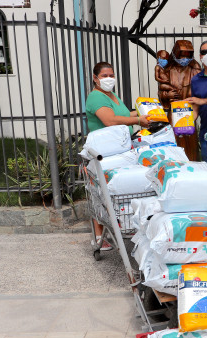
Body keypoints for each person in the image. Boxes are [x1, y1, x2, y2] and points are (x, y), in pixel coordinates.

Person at [85, 61, 149, 250]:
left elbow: (122, 113)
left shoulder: (111, 95)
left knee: (111, 192)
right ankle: (98, 237)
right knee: (99, 193)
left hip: (119, 150)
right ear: (95, 78)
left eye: (111, 75)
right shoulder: (96, 97)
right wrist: (138, 120)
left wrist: (146, 112)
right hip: (104, 153)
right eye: (104, 76)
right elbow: (110, 120)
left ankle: (117, 229)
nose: (109, 78)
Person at [154, 41, 202, 160]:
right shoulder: (167, 70)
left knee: (190, 141)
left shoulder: (194, 69)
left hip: (189, 111)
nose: (184, 58)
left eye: (187, 55)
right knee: (174, 139)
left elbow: (201, 89)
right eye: (182, 55)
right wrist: (167, 94)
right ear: (175, 54)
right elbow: (161, 91)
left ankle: (193, 163)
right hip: (173, 111)